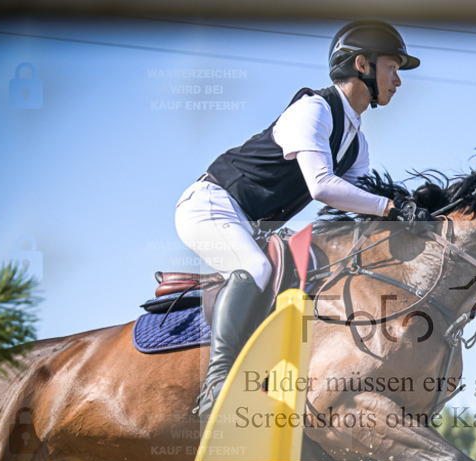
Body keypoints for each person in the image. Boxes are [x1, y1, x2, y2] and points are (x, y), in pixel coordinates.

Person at [176, 20, 429, 419]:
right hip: (210, 205)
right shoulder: (313, 109)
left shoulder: (356, 141)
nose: (398, 80)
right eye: (392, 67)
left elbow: (360, 200)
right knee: (254, 267)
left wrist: (408, 204)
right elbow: (323, 188)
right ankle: (217, 384)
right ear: (362, 64)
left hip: (249, 223)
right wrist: (389, 208)